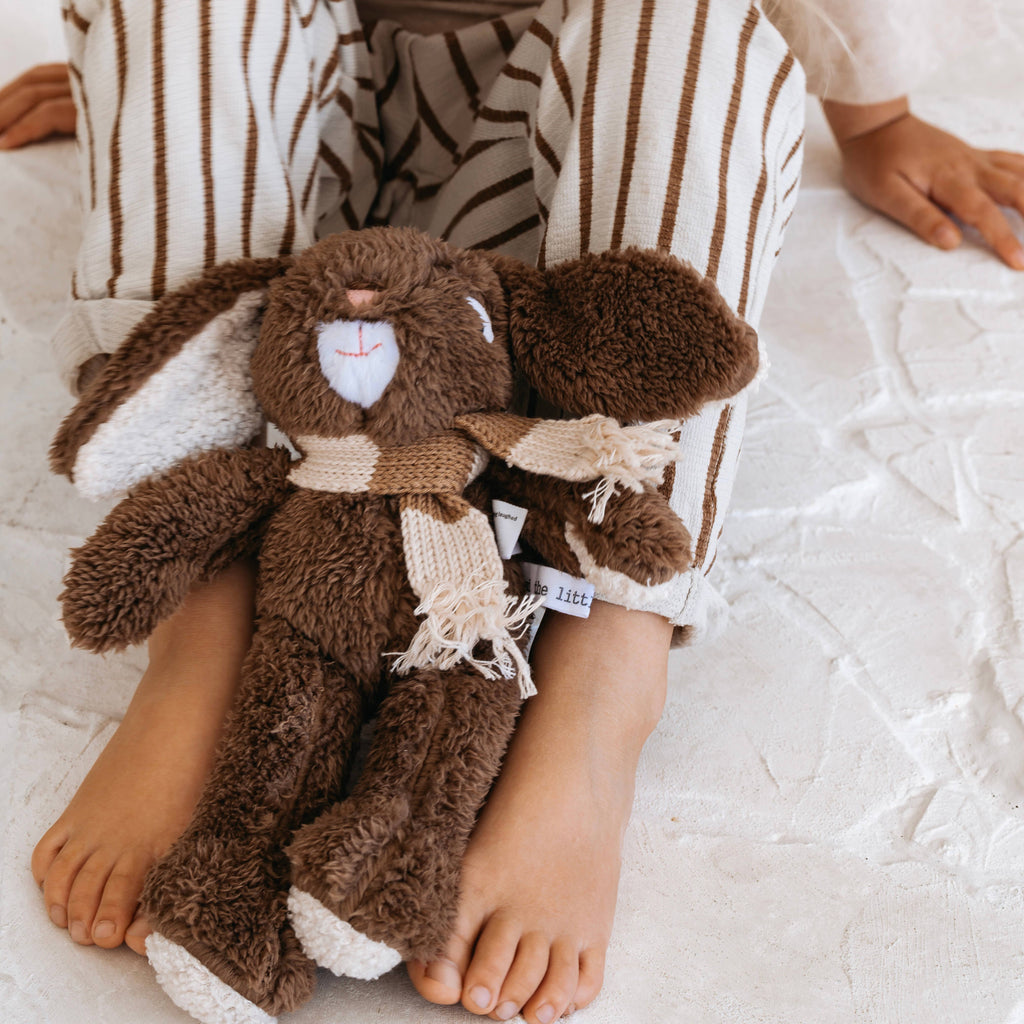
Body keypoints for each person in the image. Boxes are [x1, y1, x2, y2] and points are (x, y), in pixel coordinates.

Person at [1, 3, 1021, 1023]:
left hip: (559, 177)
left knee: (689, 15)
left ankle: (605, 665)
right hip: (311, 148)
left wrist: (873, 116)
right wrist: (137, 77)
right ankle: (203, 617)